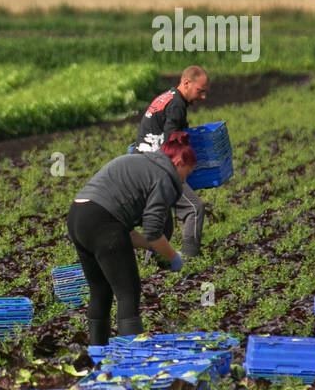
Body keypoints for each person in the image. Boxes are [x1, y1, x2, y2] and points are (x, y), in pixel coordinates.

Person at [68, 133, 198, 346]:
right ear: (179, 163)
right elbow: (153, 231)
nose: (185, 180)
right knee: (128, 292)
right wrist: (174, 257)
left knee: (100, 290)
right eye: (187, 173)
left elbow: (128, 235)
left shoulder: (142, 163)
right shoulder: (165, 177)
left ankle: (97, 356)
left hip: (78, 216)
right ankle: (131, 360)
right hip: (103, 222)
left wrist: (152, 247)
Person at [134, 65, 210, 257]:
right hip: (156, 167)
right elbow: (172, 144)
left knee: (162, 220)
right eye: (200, 91)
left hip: (141, 161)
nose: (203, 97)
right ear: (186, 83)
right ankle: (190, 259)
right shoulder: (176, 105)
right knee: (194, 208)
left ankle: (155, 264)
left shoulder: (168, 96)